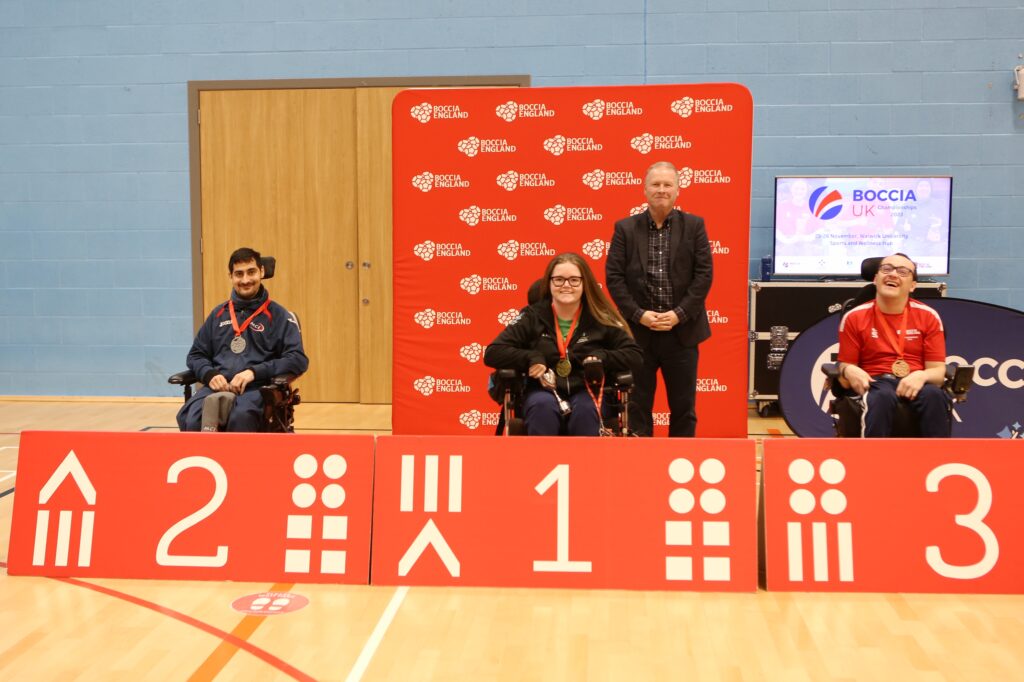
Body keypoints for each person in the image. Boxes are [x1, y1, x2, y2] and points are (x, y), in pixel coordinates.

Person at [605, 161, 713, 437]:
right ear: (644, 190)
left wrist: (679, 314)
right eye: (656, 184)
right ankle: (643, 469)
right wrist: (639, 314)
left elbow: (703, 277)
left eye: (667, 185)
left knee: (684, 407)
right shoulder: (625, 229)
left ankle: (681, 464)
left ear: (678, 190)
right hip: (639, 333)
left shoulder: (695, 226)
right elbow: (614, 278)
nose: (661, 190)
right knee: (638, 407)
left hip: (682, 332)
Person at [484, 253, 642, 436]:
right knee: (542, 408)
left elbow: (634, 355)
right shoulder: (532, 316)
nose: (566, 286)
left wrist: (601, 358)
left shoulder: (600, 316)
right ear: (549, 283)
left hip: (589, 390)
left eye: (574, 280)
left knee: (585, 411)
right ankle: (540, 464)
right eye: (559, 280)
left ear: (585, 284)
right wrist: (531, 357)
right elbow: (493, 352)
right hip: (542, 390)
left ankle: (586, 465)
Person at [176, 247, 309, 432]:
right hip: (218, 386)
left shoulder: (279, 316)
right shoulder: (218, 314)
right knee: (191, 418)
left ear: (261, 272)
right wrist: (209, 374)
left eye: (251, 272)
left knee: (240, 418)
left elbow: (297, 359)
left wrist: (254, 372)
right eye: (239, 274)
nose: (245, 280)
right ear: (231, 276)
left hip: (257, 388)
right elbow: (196, 355)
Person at [836, 253, 949, 437]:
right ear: (875, 279)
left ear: (913, 286)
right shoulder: (855, 317)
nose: (893, 274)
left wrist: (921, 376)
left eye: (903, 272)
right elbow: (844, 374)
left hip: (916, 380)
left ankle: (937, 462)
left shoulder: (929, 316)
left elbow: (937, 373)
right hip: (875, 382)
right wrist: (847, 370)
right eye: (886, 269)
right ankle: (872, 460)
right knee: (881, 397)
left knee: (934, 396)